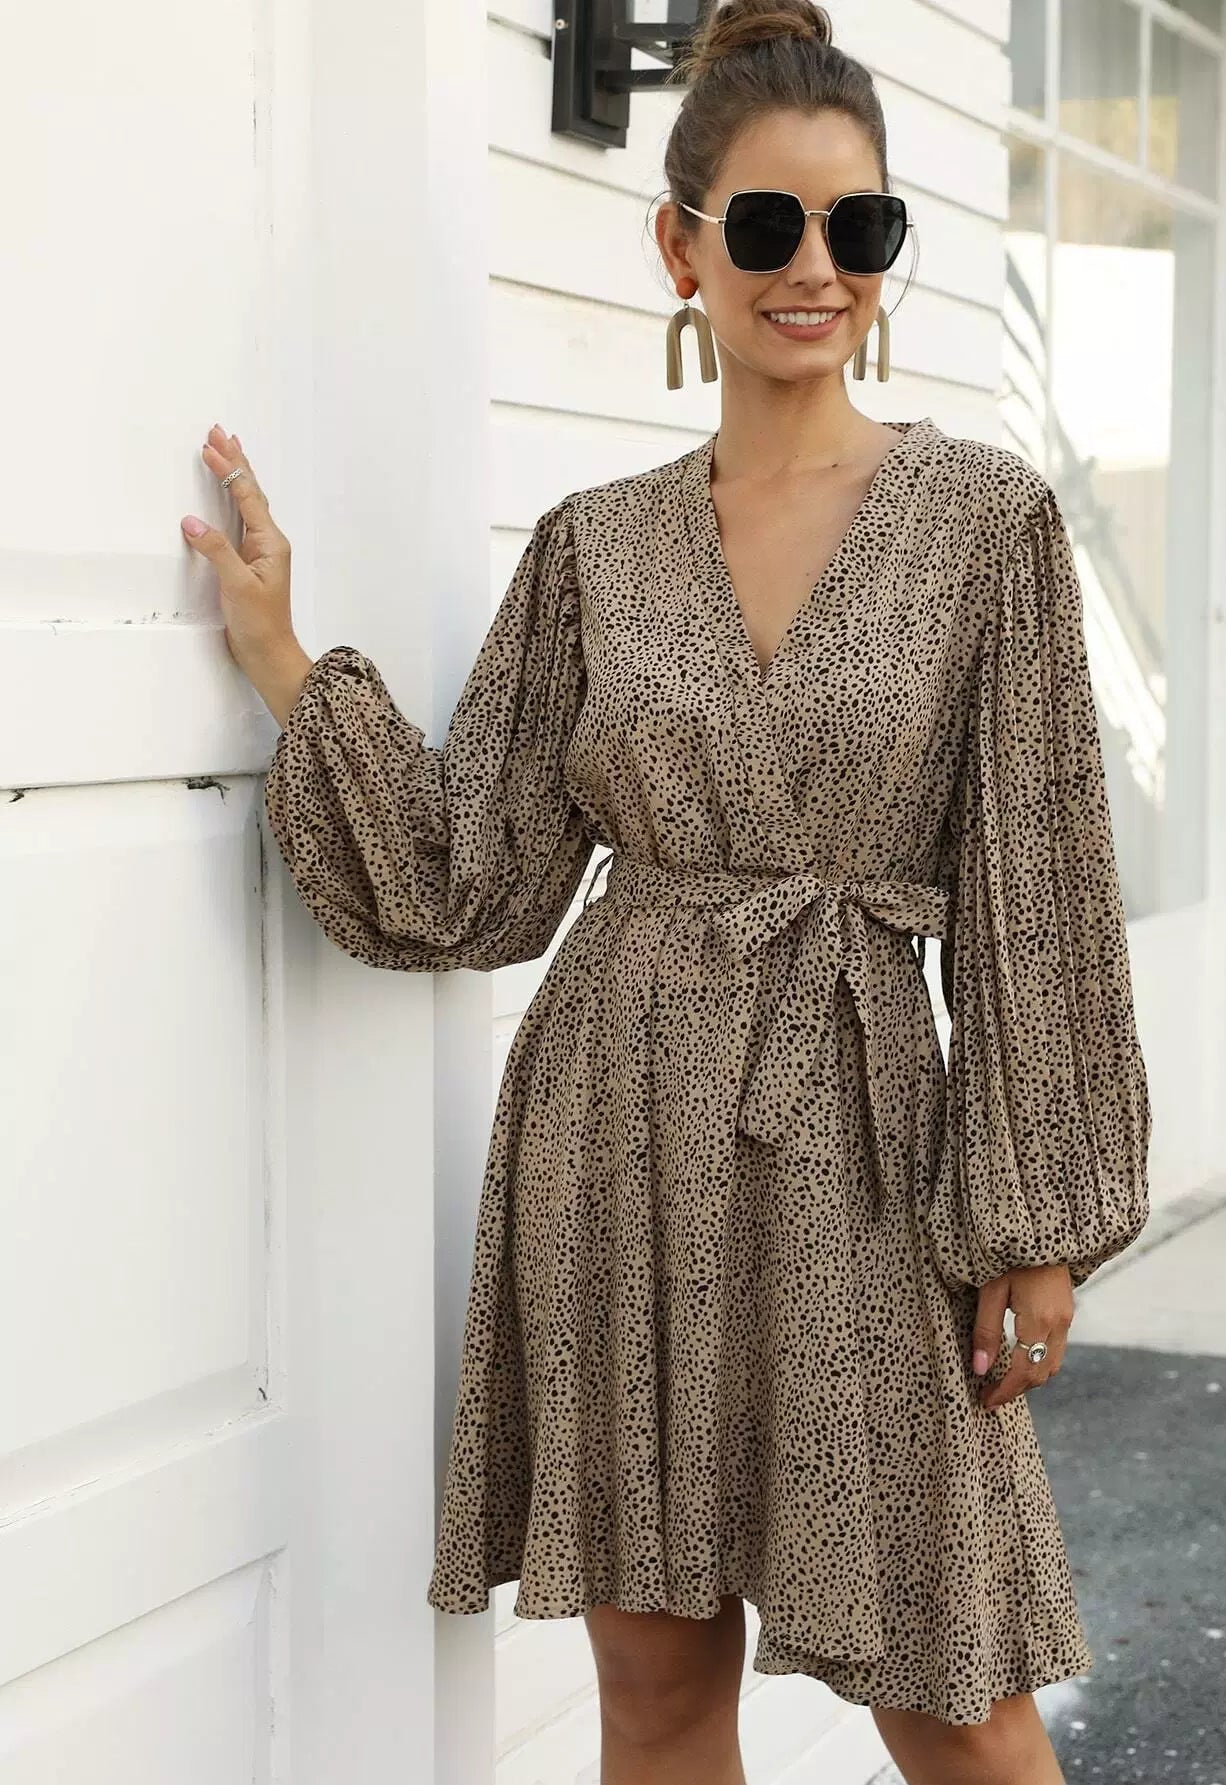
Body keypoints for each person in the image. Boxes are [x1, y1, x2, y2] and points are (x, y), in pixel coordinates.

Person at [179, 3, 1152, 1779]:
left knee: (959, 1690)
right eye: (766, 225)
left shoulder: (985, 523)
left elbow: (1042, 894)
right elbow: (475, 876)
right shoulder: (595, 546)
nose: (814, 269)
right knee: (656, 1687)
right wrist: (285, 662)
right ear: (679, 246)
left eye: (858, 227)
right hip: (619, 1137)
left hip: (866, 1141)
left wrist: (1039, 1221)